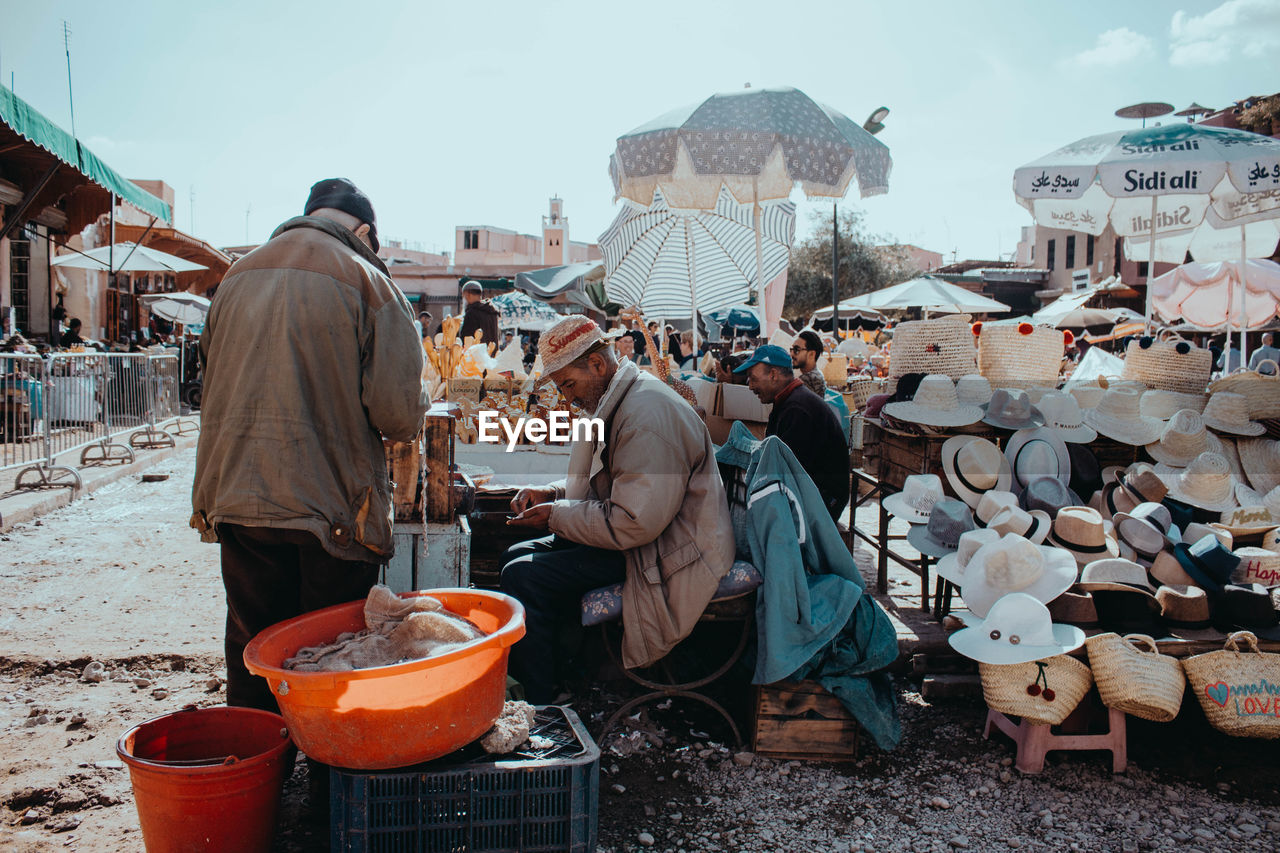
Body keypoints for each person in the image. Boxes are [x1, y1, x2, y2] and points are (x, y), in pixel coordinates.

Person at [192, 177, 428, 715]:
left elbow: (209, 379)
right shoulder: (370, 281)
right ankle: (326, 792)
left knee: (255, 650)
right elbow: (397, 416)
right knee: (332, 658)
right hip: (331, 508)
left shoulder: (237, 275)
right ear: (365, 231)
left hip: (237, 497)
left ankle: (254, 777)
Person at [500, 316, 734, 703]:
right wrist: (552, 494)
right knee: (515, 556)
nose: (570, 399)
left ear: (597, 365)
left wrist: (557, 513)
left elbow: (633, 522)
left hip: (667, 551)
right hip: (646, 538)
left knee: (524, 577)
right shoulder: (625, 399)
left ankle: (541, 700)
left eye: (570, 386)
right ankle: (559, 676)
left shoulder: (645, 415)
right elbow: (612, 482)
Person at [737, 344, 849, 521]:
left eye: (753, 379)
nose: (750, 386)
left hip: (824, 500)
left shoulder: (797, 409)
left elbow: (785, 471)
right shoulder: (789, 401)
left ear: (773, 375)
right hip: (814, 492)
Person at [459, 280, 500, 346]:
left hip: (477, 354)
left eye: (463, 295)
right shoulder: (492, 311)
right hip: (491, 353)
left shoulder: (472, 313)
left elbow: (466, 339)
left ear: (467, 294)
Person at [790, 329, 826, 397]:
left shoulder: (806, 380)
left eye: (796, 350)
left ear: (811, 354)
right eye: (791, 349)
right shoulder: (817, 374)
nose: (792, 354)